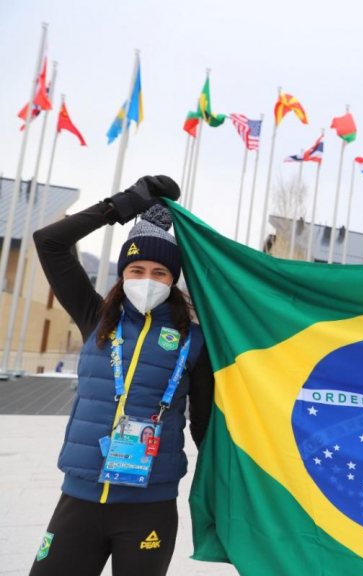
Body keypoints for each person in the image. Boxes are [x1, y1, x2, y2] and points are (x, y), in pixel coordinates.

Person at [29, 176, 215, 576]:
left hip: (150, 507)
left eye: (160, 272)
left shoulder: (195, 342)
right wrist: (123, 203)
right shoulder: (95, 318)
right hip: (80, 501)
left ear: (173, 280)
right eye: (137, 268)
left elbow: (204, 426)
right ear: (122, 274)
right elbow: (49, 242)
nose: (147, 279)